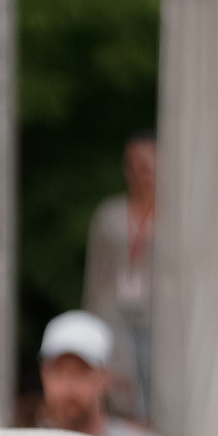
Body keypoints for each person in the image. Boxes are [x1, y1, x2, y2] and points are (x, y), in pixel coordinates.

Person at [37, 310, 172, 436]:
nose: (68, 386)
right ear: (44, 376)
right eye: (59, 373)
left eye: (80, 373)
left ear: (105, 378)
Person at [82, 132, 156, 419]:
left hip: (157, 315)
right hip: (114, 312)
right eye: (135, 164)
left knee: (159, 383)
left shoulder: (175, 217)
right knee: (119, 386)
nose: (143, 172)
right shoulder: (109, 215)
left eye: (149, 164)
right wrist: (90, 319)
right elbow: (96, 271)